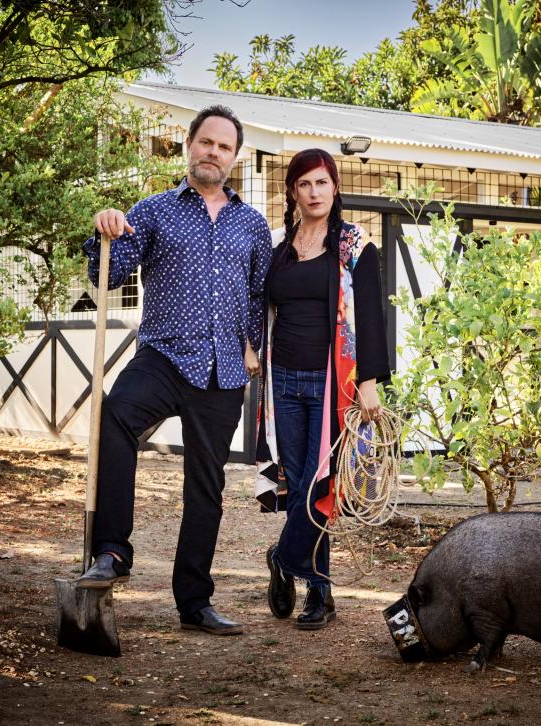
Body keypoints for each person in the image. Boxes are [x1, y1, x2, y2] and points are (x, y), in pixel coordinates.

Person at [76, 105, 272, 637]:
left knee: (205, 487)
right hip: (163, 355)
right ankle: (112, 553)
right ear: (188, 146)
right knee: (115, 415)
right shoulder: (155, 210)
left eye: (224, 146)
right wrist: (105, 232)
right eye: (205, 142)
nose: (213, 152)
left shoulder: (253, 225)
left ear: (234, 157)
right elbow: (107, 277)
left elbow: (259, 294)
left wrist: (256, 347)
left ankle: (195, 602)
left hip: (225, 368)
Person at [254, 148, 390, 630]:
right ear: (293, 191)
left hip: (334, 384)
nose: (314, 192)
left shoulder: (356, 244)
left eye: (322, 183)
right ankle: (319, 591)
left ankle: (285, 558)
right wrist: (250, 347)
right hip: (283, 382)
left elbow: (372, 318)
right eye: (304, 184)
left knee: (320, 483)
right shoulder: (278, 245)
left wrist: (370, 382)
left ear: (335, 188)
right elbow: (259, 304)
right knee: (299, 484)